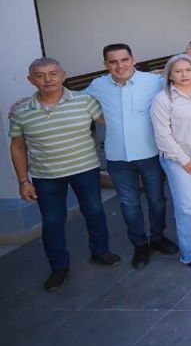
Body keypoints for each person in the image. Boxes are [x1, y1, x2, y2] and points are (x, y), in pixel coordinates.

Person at [9, 58, 120, 291]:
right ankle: (58, 267)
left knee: (94, 211)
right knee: (52, 221)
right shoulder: (22, 111)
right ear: (31, 80)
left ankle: (100, 251)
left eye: (53, 73)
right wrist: (23, 181)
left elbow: (115, 116)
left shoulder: (84, 101)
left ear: (63, 75)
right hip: (46, 176)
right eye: (40, 75)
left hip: (85, 169)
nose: (48, 79)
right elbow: (18, 147)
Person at [86, 43, 177, 269]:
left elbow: (181, 91)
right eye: (113, 62)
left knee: (157, 200)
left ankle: (157, 237)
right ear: (106, 64)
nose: (120, 66)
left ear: (133, 59)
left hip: (151, 153)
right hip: (118, 158)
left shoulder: (154, 81)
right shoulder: (98, 85)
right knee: (129, 204)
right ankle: (140, 245)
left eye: (124, 60)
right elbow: (70, 99)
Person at [151, 54, 191, 268]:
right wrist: (184, 159)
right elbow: (162, 135)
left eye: (188, 70)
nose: (184, 74)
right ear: (170, 76)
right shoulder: (163, 99)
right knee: (188, 205)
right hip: (178, 158)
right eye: (178, 71)